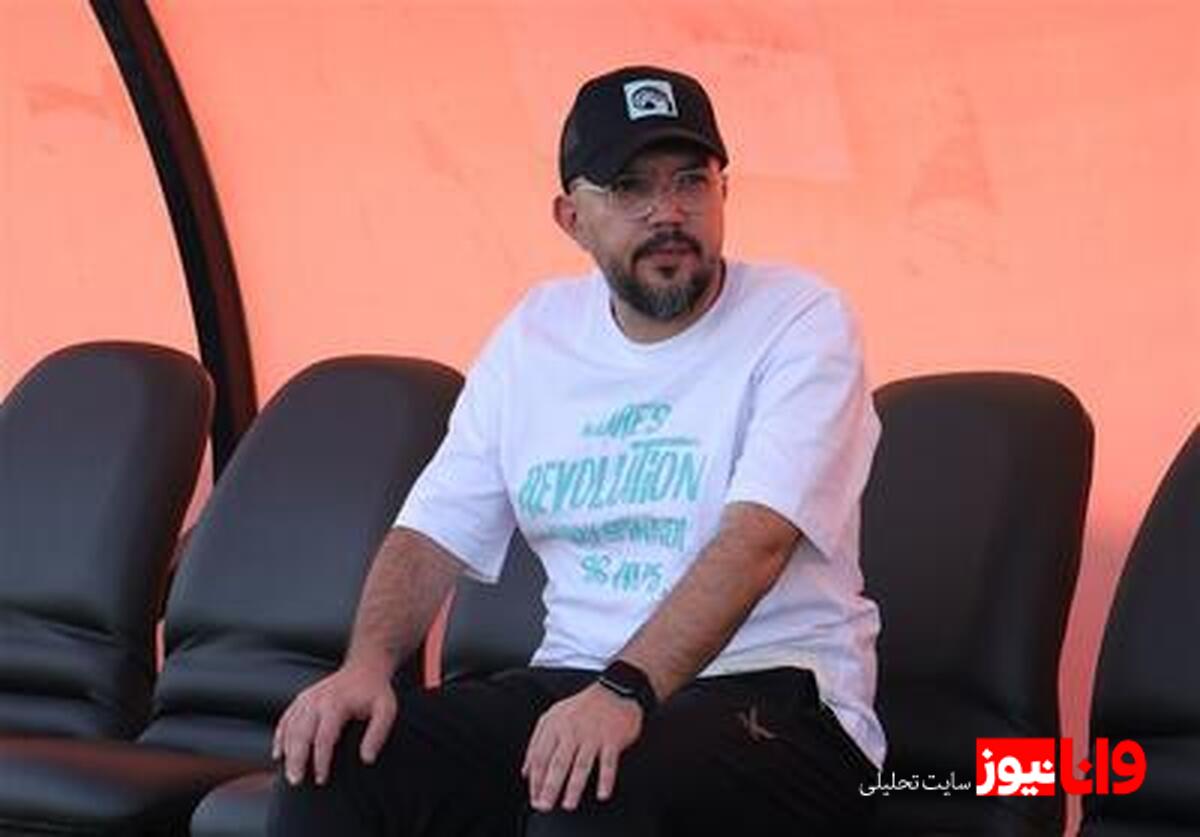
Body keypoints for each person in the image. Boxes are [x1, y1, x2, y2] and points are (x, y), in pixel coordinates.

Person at [270, 65, 883, 836]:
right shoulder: (536, 332)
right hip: (579, 682)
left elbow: (758, 539)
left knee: (588, 790)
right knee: (339, 762)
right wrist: (366, 665)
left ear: (725, 192)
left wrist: (627, 688)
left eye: (692, 181)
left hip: (778, 697)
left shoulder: (801, 319)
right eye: (630, 187)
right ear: (571, 218)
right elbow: (431, 530)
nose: (669, 212)